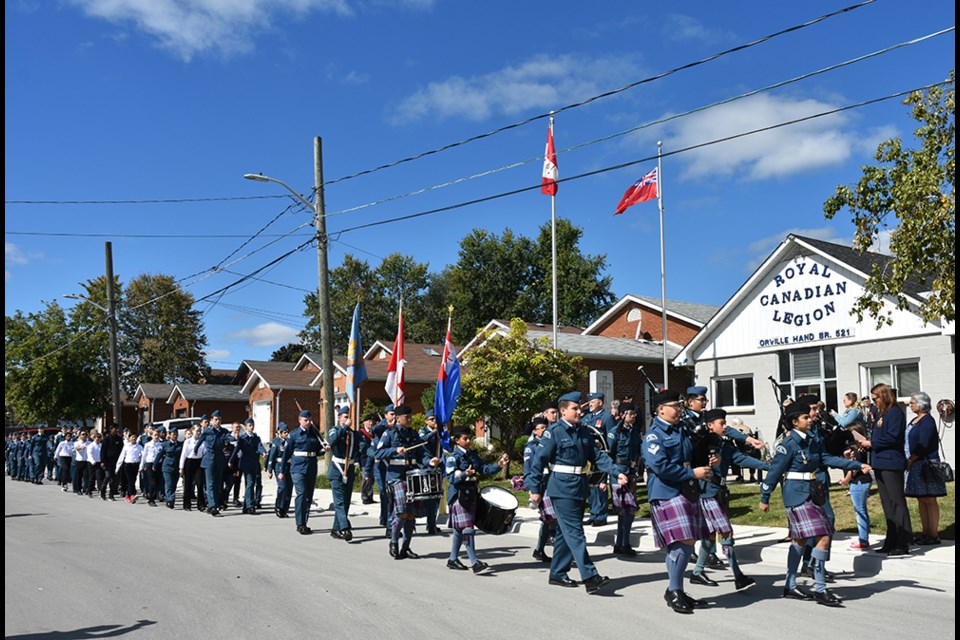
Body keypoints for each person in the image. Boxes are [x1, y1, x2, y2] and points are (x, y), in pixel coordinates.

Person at [760, 403, 869, 607]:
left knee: (801, 541)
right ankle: (819, 589)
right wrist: (765, 496)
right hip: (796, 494)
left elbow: (825, 459)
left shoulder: (812, 440)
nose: (810, 420)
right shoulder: (788, 443)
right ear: (794, 422)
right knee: (822, 536)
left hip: (811, 493)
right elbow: (775, 471)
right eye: (805, 418)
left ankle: (791, 585)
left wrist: (856, 465)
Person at [526, 391, 627, 595]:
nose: (579, 411)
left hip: (579, 486)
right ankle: (590, 577)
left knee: (565, 532)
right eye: (574, 408)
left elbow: (598, 456)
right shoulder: (553, 432)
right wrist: (534, 488)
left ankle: (557, 573)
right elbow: (538, 461)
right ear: (563, 411)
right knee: (575, 533)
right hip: (561, 488)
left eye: (580, 407)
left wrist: (617, 472)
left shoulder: (583, 431)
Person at [644, 389, 715, 614]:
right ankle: (674, 590)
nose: (678, 409)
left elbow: (692, 454)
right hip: (666, 491)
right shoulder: (654, 435)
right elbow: (661, 466)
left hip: (687, 489)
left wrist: (711, 458)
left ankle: (677, 589)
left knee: (687, 542)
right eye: (674, 405)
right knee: (683, 540)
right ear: (660, 409)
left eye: (679, 405)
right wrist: (693, 473)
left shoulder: (681, 429)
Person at [689, 409, 770, 590]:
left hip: (719, 491)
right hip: (706, 493)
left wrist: (766, 467)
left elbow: (739, 458)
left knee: (710, 536)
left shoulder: (722, 443)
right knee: (726, 533)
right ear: (710, 425)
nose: (725, 427)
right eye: (721, 424)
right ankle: (738, 576)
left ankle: (697, 572)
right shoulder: (700, 443)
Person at [375, 404, 442, 559]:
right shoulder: (389, 433)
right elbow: (377, 452)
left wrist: (429, 461)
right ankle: (393, 542)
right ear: (398, 418)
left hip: (412, 476)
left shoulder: (413, 434)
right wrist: (394, 450)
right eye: (407, 417)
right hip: (396, 477)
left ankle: (406, 547)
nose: (411, 419)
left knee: (411, 514)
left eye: (411, 416)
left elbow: (421, 454)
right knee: (402, 511)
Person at [445, 425, 509, 573]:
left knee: (459, 530)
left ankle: (452, 559)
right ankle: (474, 562)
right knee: (467, 528)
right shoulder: (453, 457)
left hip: (472, 494)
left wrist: (499, 465)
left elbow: (484, 469)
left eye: (469, 438)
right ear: (456, 440)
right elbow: (451, 477)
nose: (468, 441)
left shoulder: (472, 454)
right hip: (459, 496)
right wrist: (464, 474)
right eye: (465, 439)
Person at [859, 383, 913, 555]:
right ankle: (891, 539)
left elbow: (893, 437)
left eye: (875, 398)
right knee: (887, 504)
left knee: (896, 502)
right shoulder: (882, 414)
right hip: (880, 462)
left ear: (884, 396)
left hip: (891, 463)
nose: (873, 402)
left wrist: (872, 443)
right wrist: (866, 445)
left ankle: (903, 542)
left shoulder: (895, 413)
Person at [904, 391, 946, 545]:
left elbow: (924, 443)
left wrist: (911, 459)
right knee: (921, 498)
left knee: (930, 498)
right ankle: (925, 532)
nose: (910, 404)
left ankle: (933, 534)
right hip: (915, 464)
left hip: (926, 464)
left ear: (921, 404)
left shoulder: (928, 420)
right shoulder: (915, 420)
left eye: (913, 402)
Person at [279, 409, 328, 534]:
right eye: (306, 420)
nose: (308, 422)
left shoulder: (314, 434)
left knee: (308, 496)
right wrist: (282, 470)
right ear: (300, 420)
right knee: (301, 493)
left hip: (311, 467)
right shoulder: (294, 435)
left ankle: (304, 522)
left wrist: (324, 449)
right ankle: (299, 523)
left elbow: (317, 450)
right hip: (298, 468)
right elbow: (287, 454)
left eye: (310, 420)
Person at [607, 402, 644, 556]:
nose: (633, 416)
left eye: (634, 413)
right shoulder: (614, 432)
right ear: (622, 415)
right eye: (630, 413)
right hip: (618, 473)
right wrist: (607, 477)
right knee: (625, 510)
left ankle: (621, 543)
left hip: (630, 472)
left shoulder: (634, 431)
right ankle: (623, 543)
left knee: (628, 510)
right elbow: (608, 455)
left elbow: (639, 450)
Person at [524, 415, 555, 562]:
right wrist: (532, 490)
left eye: (545, 427)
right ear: (535, 431)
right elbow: (528, 471)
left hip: (552, 482)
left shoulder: (551, 443)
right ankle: (541, 549)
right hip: (541, 484)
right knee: (550, 518)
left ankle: (539, 549)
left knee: (549, 519)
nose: (543, 430)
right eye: (540, 428)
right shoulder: (531, 448)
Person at [327, 406, 361, 540]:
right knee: (339, 502)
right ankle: (345, 528)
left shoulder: (354, 434)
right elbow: (333, 440)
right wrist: (344, 428)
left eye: (349, 417)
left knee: (346, 501)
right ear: (339, 418)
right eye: (345, 417)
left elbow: (361, 449)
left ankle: (336, 529)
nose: (348, 419)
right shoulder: (335, 430)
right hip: (337, 469)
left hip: (349, 469)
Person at [838, 423, 872, 550]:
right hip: (863, 481)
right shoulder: (859, 449)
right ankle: (864, 538)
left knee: (860, 511)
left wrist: (846, 479)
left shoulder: (858, 450)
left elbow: (855, 468)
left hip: (859, 482)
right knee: (862, 510)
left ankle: (863, 540)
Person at [582, 391, 614, 527]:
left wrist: (607, 450)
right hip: (589, 458)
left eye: (592, 402)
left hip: (601, 455)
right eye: (589, 402)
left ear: (600, 402)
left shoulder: (606, 417)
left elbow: (611, 438)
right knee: (591, 486)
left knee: (600, 486)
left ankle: (601, 516)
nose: (590, 404)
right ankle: (593, 513)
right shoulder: (587, 417)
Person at [194, 410, 230, 516]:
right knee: (210, 484)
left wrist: (235, 437)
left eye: (219, 419)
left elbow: (229, 437)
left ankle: (212, 505)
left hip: (219, 459)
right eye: (215, 419)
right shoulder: (207, 431)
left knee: (218, 485)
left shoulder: (223, 431)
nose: (217, 421)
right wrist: (195, 449)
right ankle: (213, 506)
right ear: (211, 420)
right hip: (209, 459)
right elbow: (200, 441)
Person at [228, 418, 262, 514]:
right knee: (250, 484)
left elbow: (259, 446)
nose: (251, 427)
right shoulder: (243, 438)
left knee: (249, 485)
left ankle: (246, 507)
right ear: (246, 427)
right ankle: (250, 506)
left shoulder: (256, 438)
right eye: (250, 425)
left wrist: (263, 452)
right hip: (245, 464)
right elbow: (236, 450)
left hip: (254, 463)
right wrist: (231, 461)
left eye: (252, 425)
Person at [419, 409, 444, 534]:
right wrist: (434, 432)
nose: (434, 421)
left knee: (437, 496)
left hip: (438, 466)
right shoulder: (423, 430)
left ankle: (432, 523)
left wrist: (442, 433)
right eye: (432, 419)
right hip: (427, 466)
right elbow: (422, 441)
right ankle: (430, 523)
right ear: (426, 421)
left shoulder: (439, 432)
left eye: (435, 419)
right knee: (429, 496)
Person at [266, 422, 293, 518]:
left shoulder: (290, 441)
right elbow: (271, 456)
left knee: (289, 489)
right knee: (282, 487)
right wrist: (269, 470)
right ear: (280, 433)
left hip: (289, 467)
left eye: (287, 432)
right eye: (284, 432)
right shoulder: (276, 442)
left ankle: (284, 509)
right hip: (278, 466)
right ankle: (278, 506)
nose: (286, 434)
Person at [179, 422, 207, 511]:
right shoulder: (187, 441)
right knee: (188, 484)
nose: (198, 432)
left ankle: (201, 504)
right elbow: (183, 455)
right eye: (197, 431)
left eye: (200, 431)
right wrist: (181, 467)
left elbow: (204, 453)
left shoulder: (202, 441)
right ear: (192, 431)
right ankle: (187, 504)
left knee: (199, 484)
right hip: (189, 462)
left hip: (198, 462)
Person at [156, 426, 182, 509]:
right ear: (169, 435)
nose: (175, 436)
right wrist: (154, 464)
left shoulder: (180, 445)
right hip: (167, 467)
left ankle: (170, 499)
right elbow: (159, 455)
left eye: (176, 434)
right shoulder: (165, 444)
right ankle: (170, 500)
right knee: (169, 484)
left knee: (174, 485)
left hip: (176, 467)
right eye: (174, 434)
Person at [116, 432, 144, 503]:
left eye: (135, 437)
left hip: (135, 465)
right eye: (132, 437)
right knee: (130, 480)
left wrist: (141, 466)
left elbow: (144, 456)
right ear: (129, 438)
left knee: (132, 481)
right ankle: (132, 495)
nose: (133, 438)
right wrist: (117, 467)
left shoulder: (139, 446)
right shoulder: (126, 446)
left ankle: (127, 496)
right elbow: (121, 456)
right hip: (127, 465)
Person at [100, 424, 123, 501]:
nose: (116, 430)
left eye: (117, 429)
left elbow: (121, 451)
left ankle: (111, 494)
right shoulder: (106, 439)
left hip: (116, 462)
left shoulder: (119, 439)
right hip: (108, 461)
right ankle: (102, 491)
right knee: (108, 476)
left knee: (114, 479)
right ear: (111, 429)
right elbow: (103, 451)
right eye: (115, 429)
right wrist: (102, 461)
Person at [358, 416, 376, 505]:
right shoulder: (360, 433)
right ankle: (365, 497)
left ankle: (370, 496)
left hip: (373, 459)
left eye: (371, 421)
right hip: (364, 459)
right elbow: (362, 448)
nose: (371, 423)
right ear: (364, 422)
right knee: (366, 478)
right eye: (369, 421)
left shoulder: (374, 433)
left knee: (371, 479)